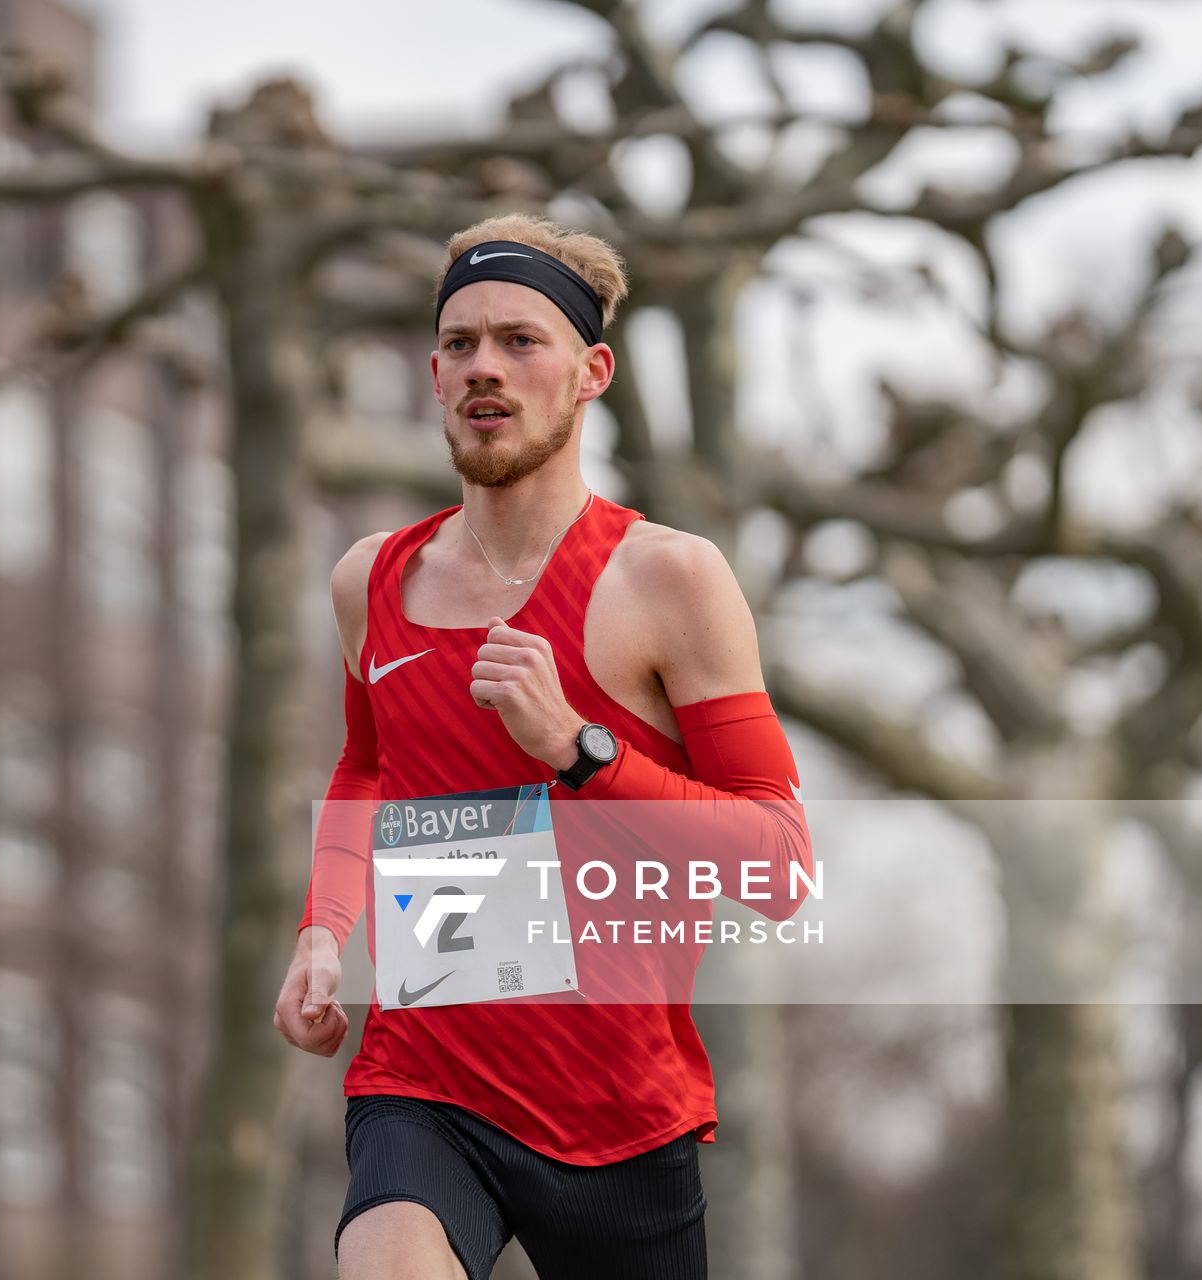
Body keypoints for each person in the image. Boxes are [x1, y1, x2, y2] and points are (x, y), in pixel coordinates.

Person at [274, 213, 815, 1280]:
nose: (487, 366)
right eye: (463, 343)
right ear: (433, 374)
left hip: (621, 1112)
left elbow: (782, 864)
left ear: (590, 371)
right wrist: (325, 928)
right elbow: (371, 766)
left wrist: (582, 749)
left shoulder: (671, 580)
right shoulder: (369, 581)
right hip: (430, 1078)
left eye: (522, 341)